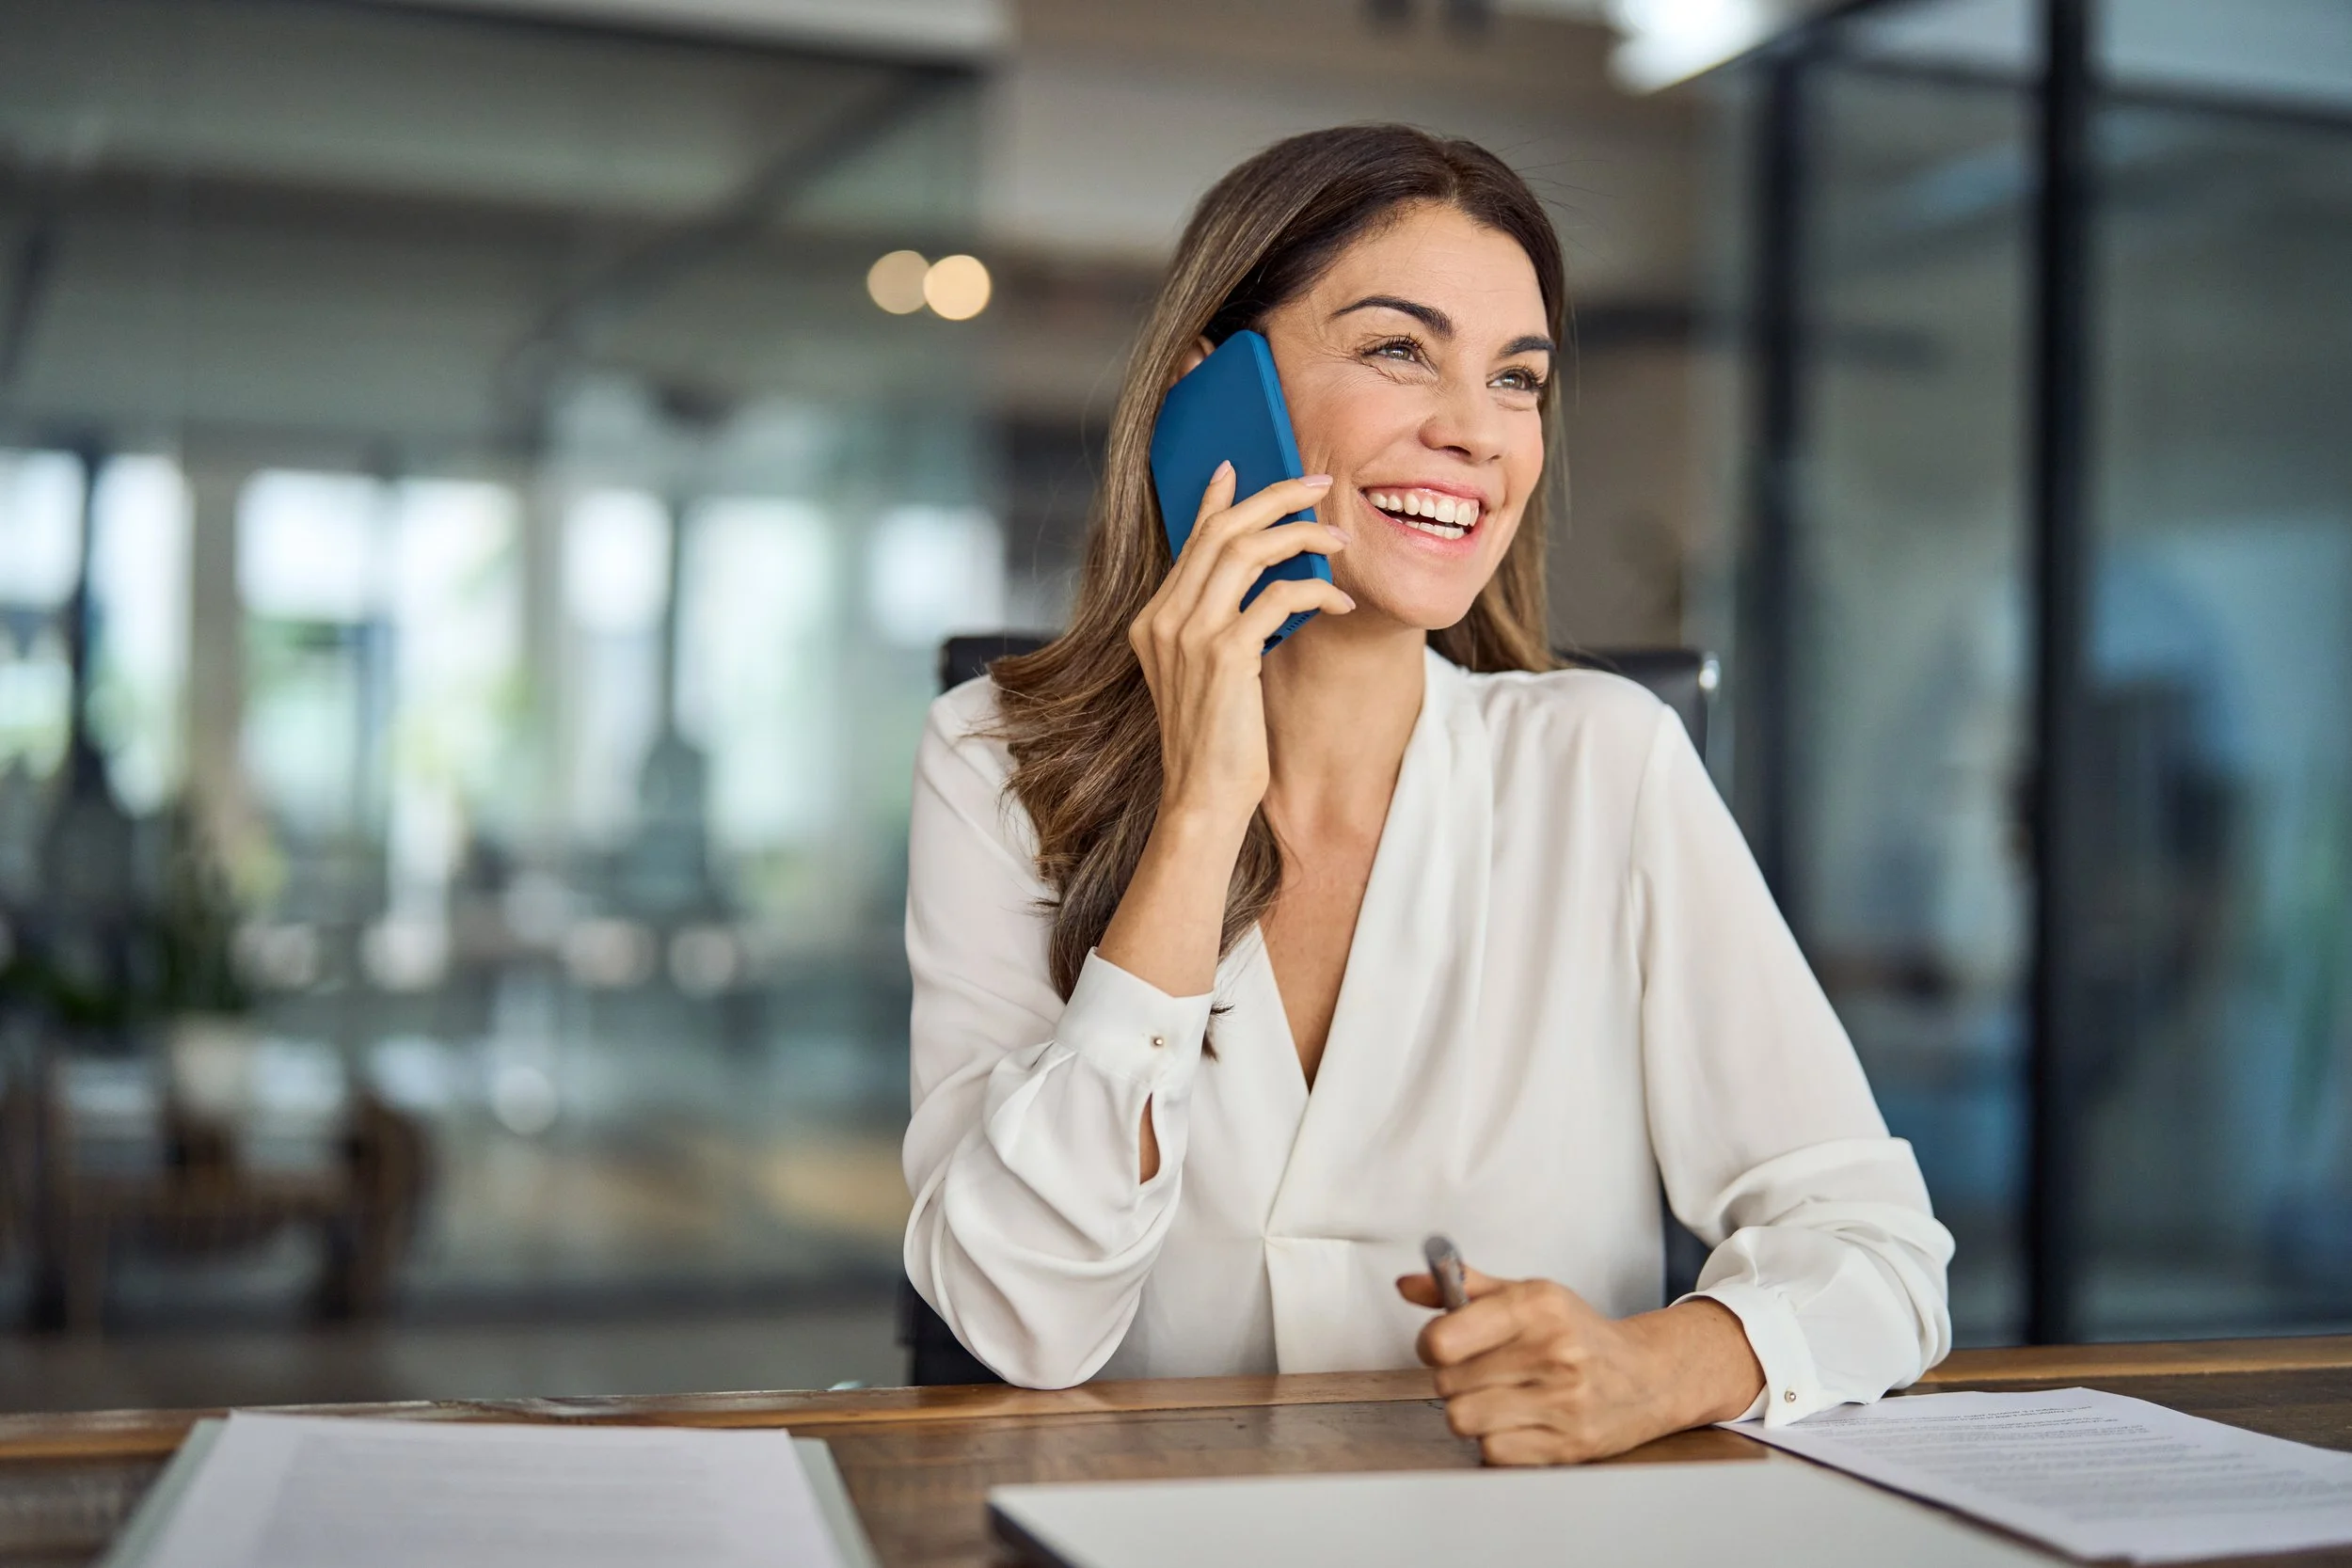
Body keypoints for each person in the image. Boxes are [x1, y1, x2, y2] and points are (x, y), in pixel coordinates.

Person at [901, 124, 1951, 1464]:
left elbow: (1878, 1255)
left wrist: (1659, 1363)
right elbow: (1020, 1316)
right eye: (1401, 349)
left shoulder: (1603, 760)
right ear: (1209, 394)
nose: (1473, 431)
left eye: (1517, 379)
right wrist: (1201, 807)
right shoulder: (996, 756)